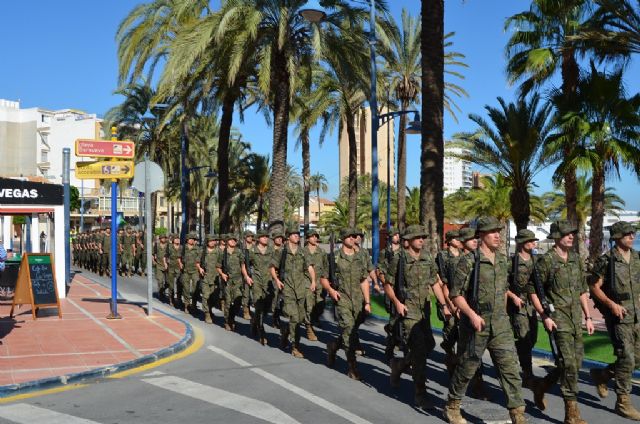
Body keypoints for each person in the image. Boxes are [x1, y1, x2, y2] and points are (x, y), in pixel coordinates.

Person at [444, 217, 527, 424]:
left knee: (510, 368)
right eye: (492, 232)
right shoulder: (469, 260)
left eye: (498, 231)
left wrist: (512, 298)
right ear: (481, 236)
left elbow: (502, 287)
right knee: (467, 367)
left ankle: (517, 413)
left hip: (500, 323)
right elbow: (455, 295)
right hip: (476, 323)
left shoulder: (502, 259)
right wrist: (471, 315)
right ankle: (452, 405)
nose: (497, 235)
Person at [529, 220, 595, 424]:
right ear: (556, 237)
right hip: (558, 319)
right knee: (569, 364)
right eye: (567, 234)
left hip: (575, 318)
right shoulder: (547, 261)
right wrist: (544, 316)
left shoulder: (575, 259)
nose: (571, 236)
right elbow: (533, 290)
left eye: (572, 233)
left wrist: (588, 316)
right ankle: (572, 413)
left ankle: (543, 385)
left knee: (574, 362)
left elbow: (582, 290)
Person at [384, 225, 448, 409]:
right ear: (409, 240)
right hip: (407, 310)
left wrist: (443, 305)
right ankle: (420, 393)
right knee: (419, 351)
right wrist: (397, 303)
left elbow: (434, 282)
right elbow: (388, 284)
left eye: (423, 237)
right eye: (418, 237)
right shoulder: (399, 258)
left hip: (424, 310)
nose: (422, 239)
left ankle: (400, 365)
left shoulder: (427, 257)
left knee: (429, 345)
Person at [589, 221, 640, 420]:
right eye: (627, 233)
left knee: (637, 358)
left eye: (633, 232)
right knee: (627, 357)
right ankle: (623, 403)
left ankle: (602, 375)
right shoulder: (607, 260)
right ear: (617, 236)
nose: (632, 236)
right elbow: (594, 287)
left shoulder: (636, 257)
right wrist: (611, 305)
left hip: (637, 315)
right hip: (619, 316)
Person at [321, 227, 372, 380]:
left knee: (351, 331)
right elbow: (323, 278)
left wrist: (367, 302)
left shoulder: (360, 257)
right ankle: (352, 367)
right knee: (348, 330)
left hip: (358, 300)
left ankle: (333, 346)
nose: (353, 238)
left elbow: (363, 280)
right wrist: (331, 291)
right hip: (341, 299)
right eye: (350, 236)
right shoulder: (334, 257)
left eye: (354, 236)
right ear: (343, 238)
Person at [270, 227, 316, 358]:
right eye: (294, 235)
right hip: (288, 289)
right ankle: (296, 347)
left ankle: (286, 331)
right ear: (288, 236)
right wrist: (277, 280)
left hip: (301, 289)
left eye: (298, 235)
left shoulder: (303, 252)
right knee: (294, 317)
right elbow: (273, 267)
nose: (297, 236)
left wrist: (313, 281)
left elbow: (310, 267)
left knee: (300, 318)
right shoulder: (282, 252)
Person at [507, 229, 541, 389]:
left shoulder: (537, 261)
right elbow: (502, 284)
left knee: (532, 338)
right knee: (524, 338)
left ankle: (515, 353)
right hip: (517, 305)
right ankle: (527, 374)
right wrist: (513, 297)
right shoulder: (512, 262)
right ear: (521, 242)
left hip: (532, 305)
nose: (533, 243)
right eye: (530, 240)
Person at [244, 230, 275, 345]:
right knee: (259, 306)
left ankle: (254, 321)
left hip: (268, 282)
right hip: (256, 281)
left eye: (267, 236)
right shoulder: (252, 251)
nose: (265, 238)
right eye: (263, 237)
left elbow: (275, 265)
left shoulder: (271, 251)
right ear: (258, 239)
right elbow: (244, 264)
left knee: (267, 307)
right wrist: (247, 276)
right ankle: (261, 332)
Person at [217, 234, 245, 331]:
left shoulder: (239, 252)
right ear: (227, 241)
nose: (233, 241)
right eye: (231, 239)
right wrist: (222, 274)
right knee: (228, 302)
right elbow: (218, 266)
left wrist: (246, 276)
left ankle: (232, 317)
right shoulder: (222, 253)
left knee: (238, 301)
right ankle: (227, 321)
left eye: (234, 240)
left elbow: (243, 266)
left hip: (238, 280)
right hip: (227, 281)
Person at [303, 229, 327, 341]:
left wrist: (326, 279)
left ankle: (315, 318)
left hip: (320, 282)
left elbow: (326, 266)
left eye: (316, 236)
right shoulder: (303, 251)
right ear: (307, 238)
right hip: (306, 281)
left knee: (321, 304)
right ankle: (309, 328)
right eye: (312, 236)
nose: (314, 238)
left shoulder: (321, 252)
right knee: (309, 306)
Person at [181, 233, 202, 314]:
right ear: (187, 240)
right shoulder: (183, 248)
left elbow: (200, 259)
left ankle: (194, 304)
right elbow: (179, 258)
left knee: (195, 289)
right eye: (191, 238)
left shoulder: (198, 249)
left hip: (195, 271)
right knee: (186, 288)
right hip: (186, 271)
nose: (192, 240)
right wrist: (181, 265)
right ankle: (186, 305)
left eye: (194, 239)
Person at [165, 234, 183, 307]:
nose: (177, 240)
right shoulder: (169, 247)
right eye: (176, 239)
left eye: (178, 238)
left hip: (179, 268)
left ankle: (179, 299)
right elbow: (166, 256)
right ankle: (171, 299)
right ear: (173, 240)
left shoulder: (181, 247)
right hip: (171, 267)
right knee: (171, 285)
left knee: (179, 284)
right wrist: (166, 263)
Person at [153, 233, 169, 301]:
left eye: (164, 238)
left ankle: (162, 289)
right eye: (162, 238)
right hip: (159, 264)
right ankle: (161, 293)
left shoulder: (168, 245)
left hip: (167, 265)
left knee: (168, 282)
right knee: (160, 280)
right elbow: (153, 254)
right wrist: (153, 261)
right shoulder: (156, 245)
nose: (163, 239)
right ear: (160, 239)